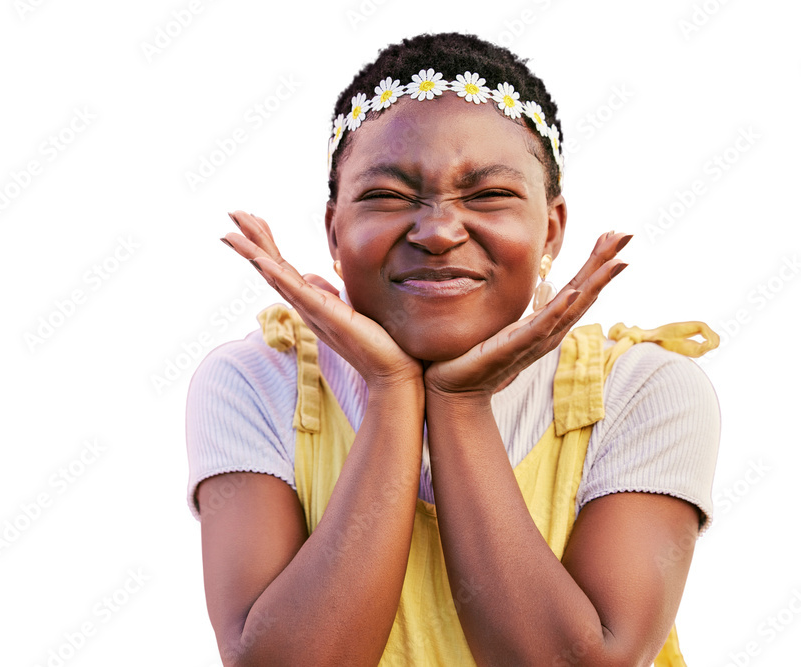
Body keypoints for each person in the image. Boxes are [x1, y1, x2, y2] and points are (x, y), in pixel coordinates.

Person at [187, 32, 720, 666]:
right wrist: (391, 394)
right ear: (335, 230)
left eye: (489, 195)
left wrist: (459, 403)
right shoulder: (256, 382)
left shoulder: (642, 390)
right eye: (387, 196)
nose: (438, 231)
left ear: (550, 229)